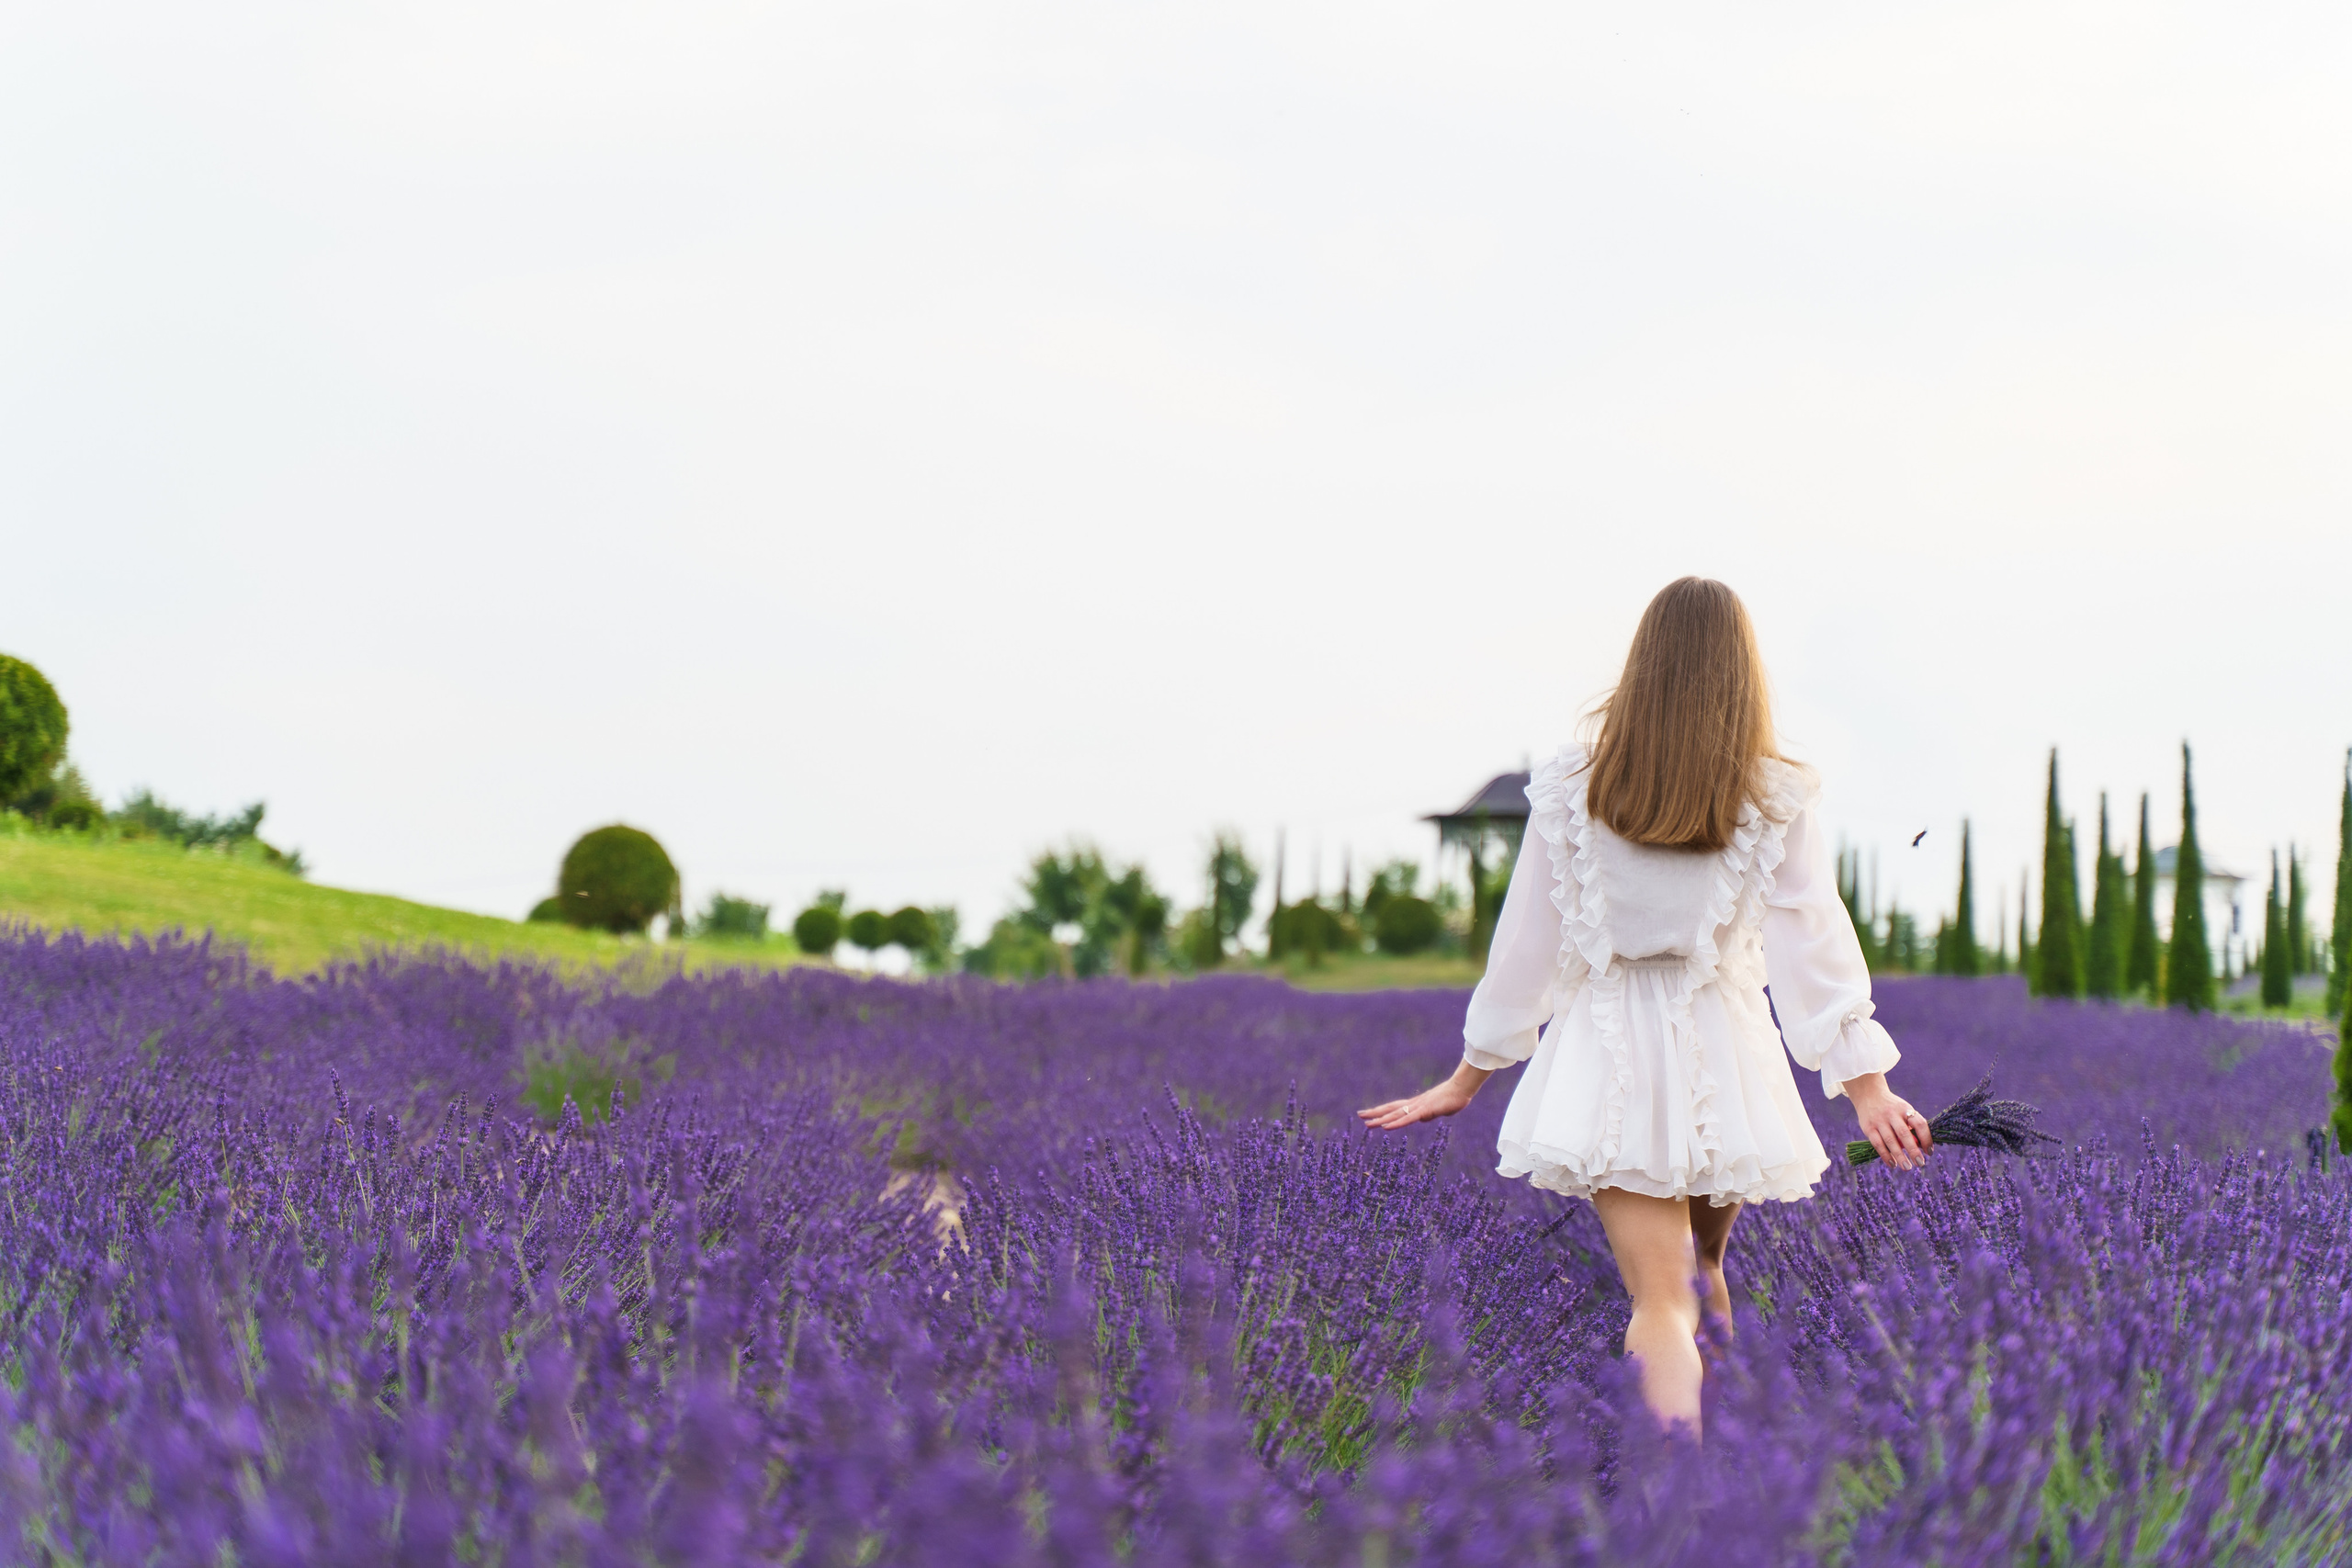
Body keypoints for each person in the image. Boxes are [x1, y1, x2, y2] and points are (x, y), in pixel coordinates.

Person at [1357, 577, 1931, 1433]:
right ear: (1743, 675)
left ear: (1644, 664)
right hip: (1724, 1049)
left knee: (1662, 1299)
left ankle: (1679, 1497)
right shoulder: (1774, 792)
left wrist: (1469, 1076)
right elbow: (1814, 942)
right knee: (1701, 1270)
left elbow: (1526, 949)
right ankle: (1742, 1471)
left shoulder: (1570, 786)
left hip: (1610, 1048)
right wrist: (1867, 1084)